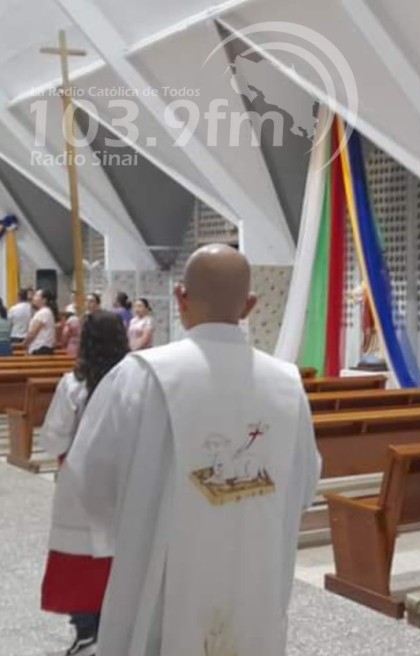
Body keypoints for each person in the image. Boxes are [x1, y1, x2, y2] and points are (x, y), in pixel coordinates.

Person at [66, 244, 321, 656]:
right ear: (250, 305)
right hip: (252, 581)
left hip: (160, 580)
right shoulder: (287, 385)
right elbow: (305, 485)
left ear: (180, 297)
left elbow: (89, 483)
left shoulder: (138, 376)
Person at [40, 311, 130, 656]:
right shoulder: (134, 381)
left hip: (79, 485)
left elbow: (53, 439)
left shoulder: (73, 383)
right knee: (118, 557)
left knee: (80, 562)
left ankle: (87, 633)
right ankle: (117, 629)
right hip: (124, 483)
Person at [25, 289, 59, 355]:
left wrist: (24, 343)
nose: (33, 298)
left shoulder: (43, 313)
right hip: (44, 347)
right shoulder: (47, 311)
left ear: (44, 300)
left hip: (40, 348)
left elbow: (32, 333)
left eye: (36, 295)